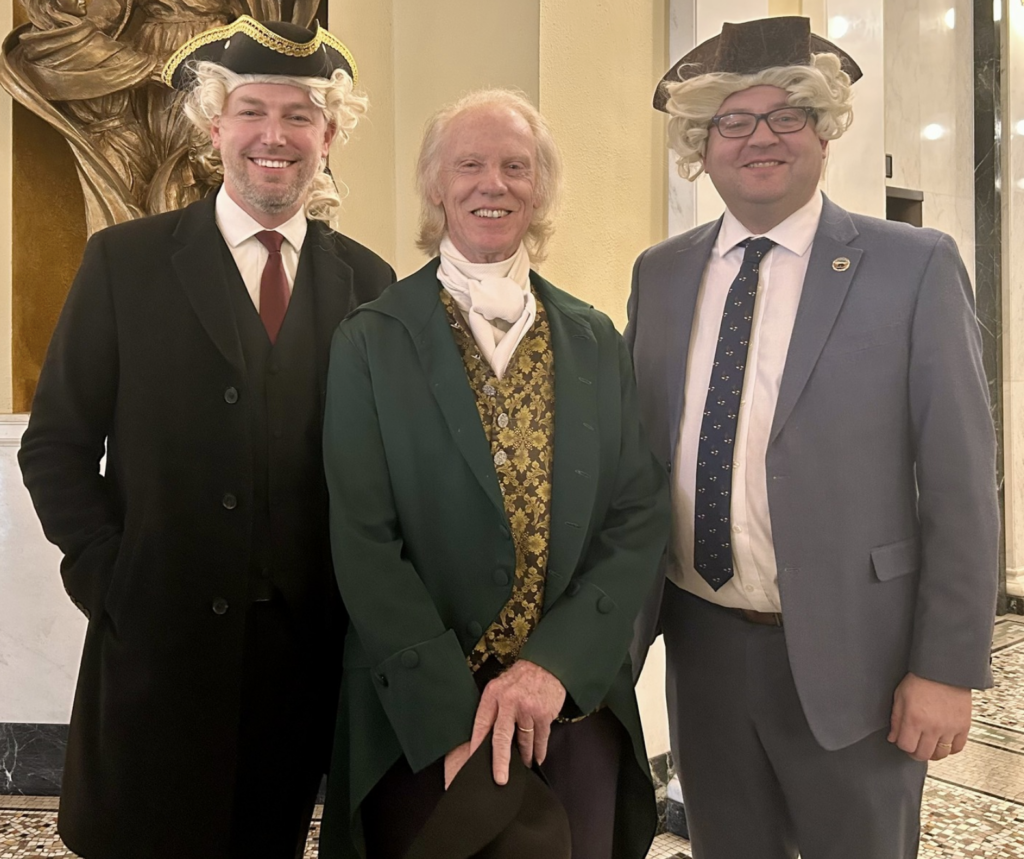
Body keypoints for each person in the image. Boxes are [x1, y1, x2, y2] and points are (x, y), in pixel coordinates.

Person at [18, 15, 394, 859]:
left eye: (299, 115)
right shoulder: (125, 261)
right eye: (252, 110)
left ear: (329, 133)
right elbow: (55, 447)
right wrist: (113, 580)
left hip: (298, 668)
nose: (275, 136)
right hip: (154, 651)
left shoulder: (369, 281)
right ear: (213, 124)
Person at [627, 16, 999, 859]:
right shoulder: (663, 272)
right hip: (704, 649)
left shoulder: (913, 266)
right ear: (701, 143)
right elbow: (642, 462)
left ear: (824, 132)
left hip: (859, 661)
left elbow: (960, 482)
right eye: (732, 120)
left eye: (786, 116)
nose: (760, 138)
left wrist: (944, 667)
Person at [317, 88, 671, 859]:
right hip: (424, 712)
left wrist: (555, 665)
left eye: (516, 166)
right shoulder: (372, 338)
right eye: (469, 164)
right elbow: (363, 538)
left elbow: (636, 515)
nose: (493, 183)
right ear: (436, 186)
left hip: (570, 709)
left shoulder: (594, 338)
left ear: (538, 189)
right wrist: (448, 714)